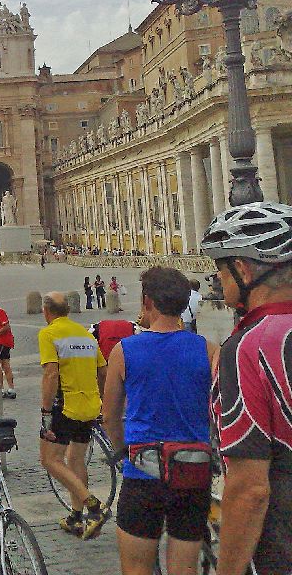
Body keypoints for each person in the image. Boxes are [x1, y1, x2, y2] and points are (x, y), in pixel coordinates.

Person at [101, 266, 217, 575]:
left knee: (137, 569)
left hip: (143, 472)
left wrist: (120, 447)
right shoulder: (208, 350)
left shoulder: (124, 350)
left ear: (147, 302)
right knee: (184, 569)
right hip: (192, 472)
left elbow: (110, 415)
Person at [200, 202, 292, 575]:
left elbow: (250, 489)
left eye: (220, 272)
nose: (217, 282)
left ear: (242, 269)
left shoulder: (249, 348)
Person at [38, 291, 110, 540]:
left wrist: (46, 410)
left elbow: (51, 374)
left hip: (64, 405)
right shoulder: (86, 335)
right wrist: (100, 400)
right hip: (89, 405)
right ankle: (76, 518)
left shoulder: (49, 333)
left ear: (47, 312)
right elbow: (103, 371)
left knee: (50, 460)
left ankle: (93, 506)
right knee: (76, 460)